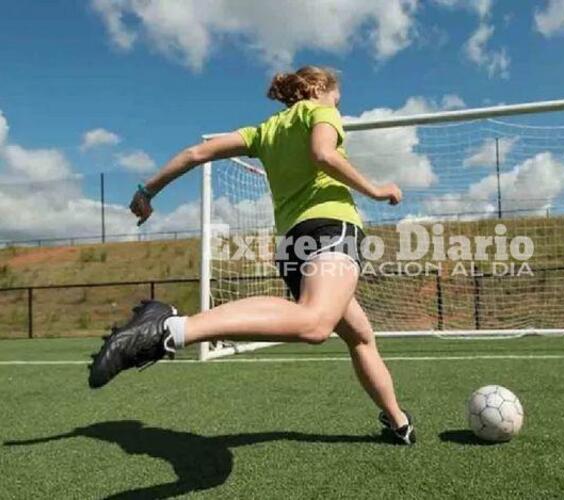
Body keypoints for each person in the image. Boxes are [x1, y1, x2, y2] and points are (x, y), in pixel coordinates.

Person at [88, 66, 415, 445]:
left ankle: (398, 421)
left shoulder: (265, 131)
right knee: (315, 324)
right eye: (337, 98)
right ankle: (170, 328)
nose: (337, 104)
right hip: (330, 229)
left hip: (293, 244)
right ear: (319, 89)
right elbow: (323, 154)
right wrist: (375, 190)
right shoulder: (320, 111)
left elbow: (197, 152)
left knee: (359, 336)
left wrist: (148, 191)